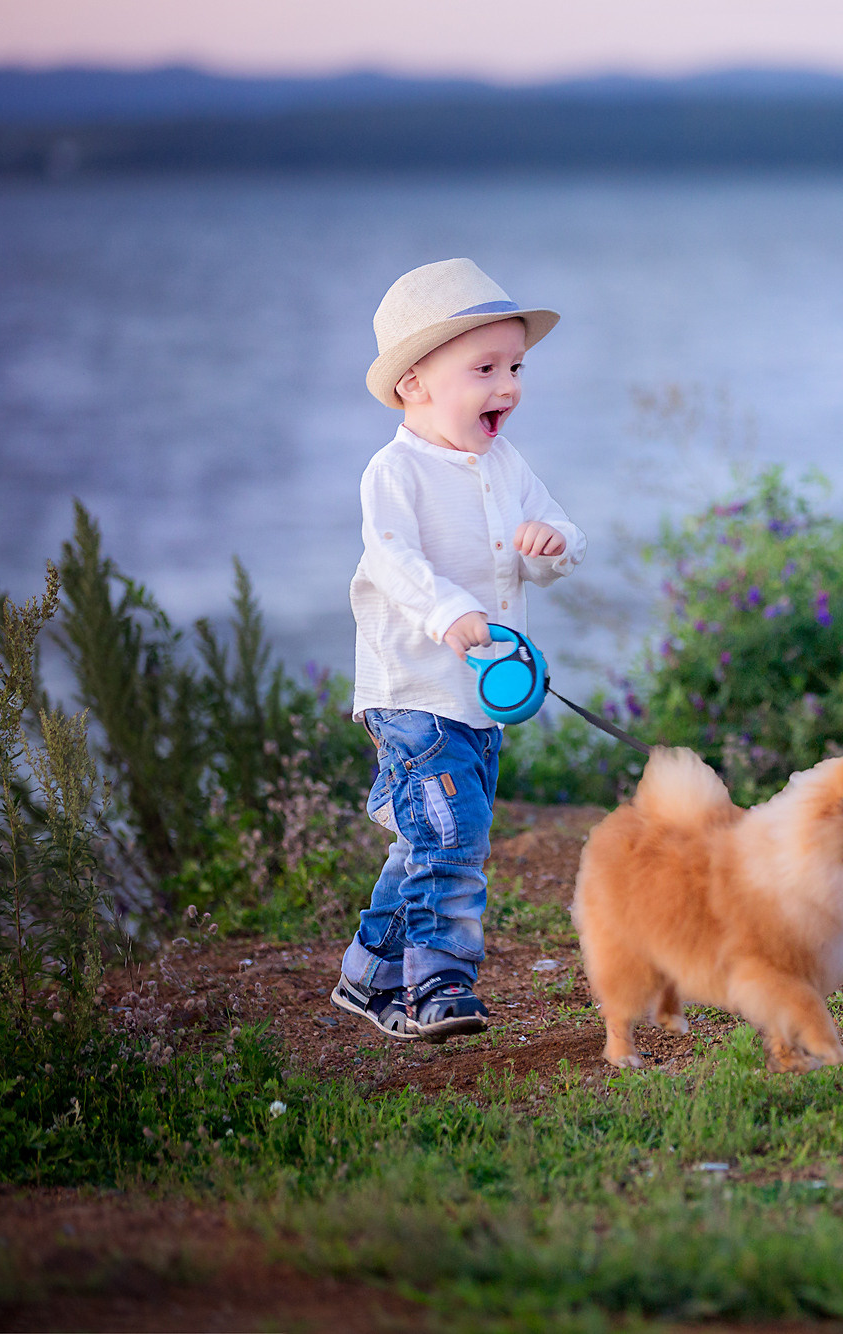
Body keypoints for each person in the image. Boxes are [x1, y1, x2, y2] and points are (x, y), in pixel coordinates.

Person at [331, 258, 585, 1041]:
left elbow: (560, 533)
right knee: (452, 836)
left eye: (515, 367)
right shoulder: (393, 473)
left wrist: (549, 545)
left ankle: (367, 973)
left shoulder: (504, 465)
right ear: (415, 383)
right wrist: (450, 610)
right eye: (484, 369)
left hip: (477, 700)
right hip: (412, 692)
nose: (507, 385)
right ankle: (438, 986)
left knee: (429, 836)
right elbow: (391, 560)